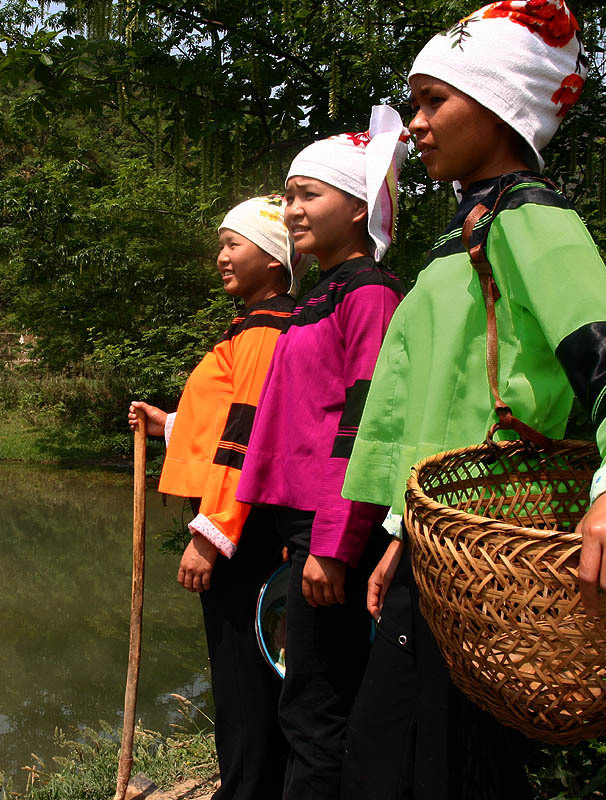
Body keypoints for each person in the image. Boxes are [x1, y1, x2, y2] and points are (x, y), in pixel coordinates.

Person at [341, 3, 606, 797]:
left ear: (501, 105)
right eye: (416, 102)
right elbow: (444, 403)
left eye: (436, 99)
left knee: (451, 767)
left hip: (494, 558)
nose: (416, 123)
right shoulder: (462, 235)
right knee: (383, 759)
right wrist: (403, 534)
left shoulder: (528, 219)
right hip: (440, 550)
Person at [233, 106, 410, 800]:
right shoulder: (318, 295)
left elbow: (366, 424)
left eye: (309, 194)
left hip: (335, 528)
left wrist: (334, 544)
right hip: (302, 527)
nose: (291, 210)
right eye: (288, 195)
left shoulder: (368, 293)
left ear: (360, 204)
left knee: (317, 706)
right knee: (305, 693)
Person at [129, 195, 304, 800]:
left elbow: (249, 437)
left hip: (246, 533)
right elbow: (237, 418)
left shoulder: (263, 331)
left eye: (234, 244)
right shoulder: (262, 326)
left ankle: (247, 791)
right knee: (255, 672)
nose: (221, 256)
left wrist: (209, 535)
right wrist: (171, 424)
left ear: (277, 258)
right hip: (253, 527)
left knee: (245, 681)